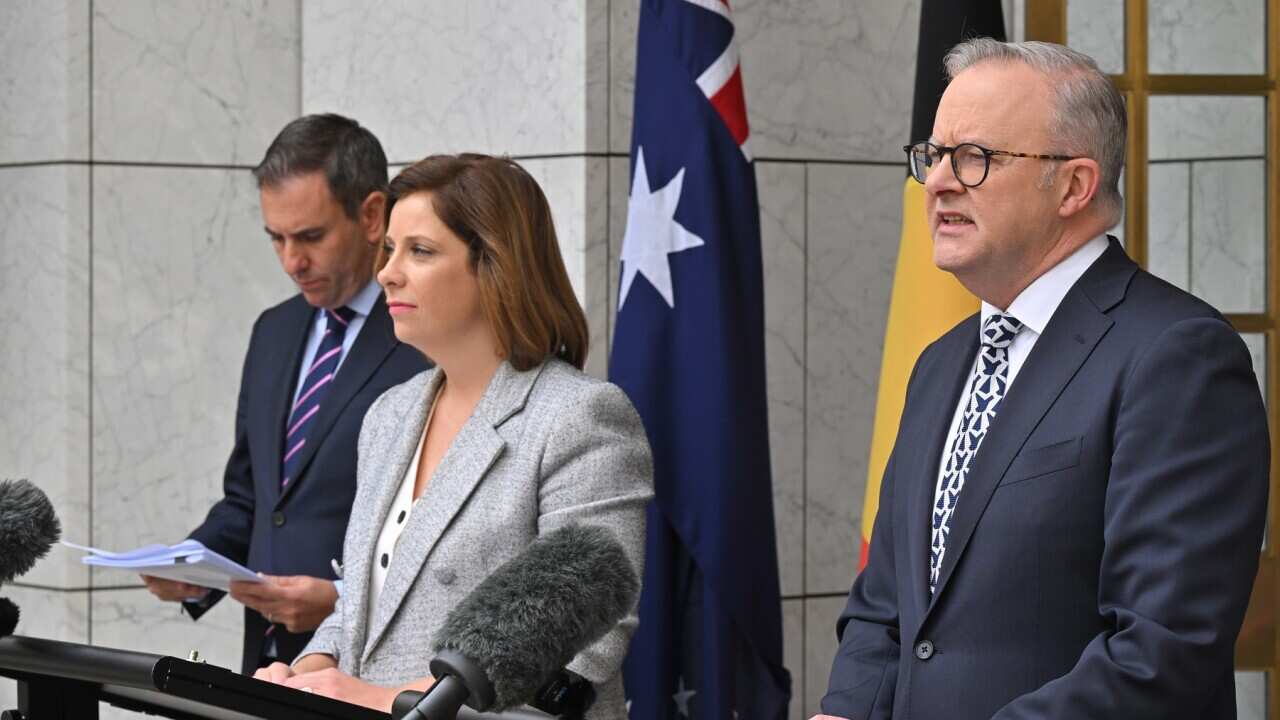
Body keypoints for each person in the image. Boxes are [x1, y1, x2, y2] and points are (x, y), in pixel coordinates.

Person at [817, 39, 1268, 720]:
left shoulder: (1178, 357)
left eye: (975, 157)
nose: (937, 182)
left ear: (1074, 185)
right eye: (934, 155)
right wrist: (846, 711)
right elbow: (885, 605)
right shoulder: (939, 363)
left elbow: (1161, 652)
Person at [251, 153, 654, 718]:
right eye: (389, 249)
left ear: (495, 265)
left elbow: (584, 645)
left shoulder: (578, 417)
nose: (387, 272)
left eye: (420, 251)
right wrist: (302, 677)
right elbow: (361, 610)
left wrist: (384, 700)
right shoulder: (389, 415)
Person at [141, 114, 429, 674]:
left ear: (372, 216)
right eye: (277, 238)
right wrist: (193, 566)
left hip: (371, 671)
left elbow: (444, 534)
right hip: (266, 667)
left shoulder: (424, 338)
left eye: (311, 237)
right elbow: (253, 501)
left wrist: (342, 600)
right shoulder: (273, 331)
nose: (292, 261)